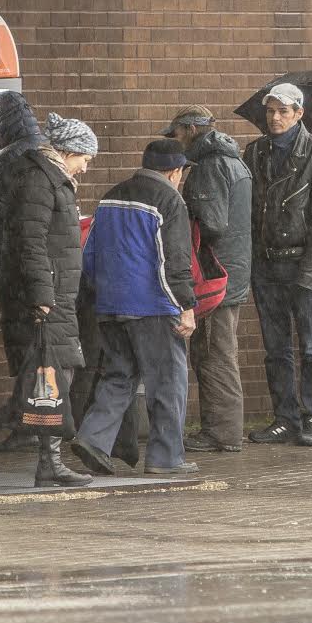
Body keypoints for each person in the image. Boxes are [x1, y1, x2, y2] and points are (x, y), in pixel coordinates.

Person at [0, 112, 99, 488]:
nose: (86, 167)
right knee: (49, 377)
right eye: (85, 158)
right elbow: (31, 242)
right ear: (69, 150)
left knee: (55, 376)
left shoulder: (52, 179)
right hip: (45, 296)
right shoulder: (40, 181)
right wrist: (42, 296)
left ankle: (48, 461)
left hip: (56, 293)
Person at [70, 139, 199, 477]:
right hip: (152, 306)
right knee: (168, 381)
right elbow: (174, 260)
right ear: (174, 171)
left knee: (119, 374)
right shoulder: (170, 200)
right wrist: (185, 305)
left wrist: (102, 293)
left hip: (110, 304)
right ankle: (165, 457)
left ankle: (93, 438)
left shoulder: (112, 194)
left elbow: (91, 252)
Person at [242, 83, 312, 447]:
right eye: (271, 110)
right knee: (276, 349)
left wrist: (310, 273)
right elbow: (249, 213)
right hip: (266, 266)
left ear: (299, 113)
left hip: (303, 264)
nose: (275, 117)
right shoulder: (255, 152)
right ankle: (284, 417)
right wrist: (253, 262)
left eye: (284, 110)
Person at [164, 105, 253, 454]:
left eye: (175, 135)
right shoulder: (233, 160)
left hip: (217, 275)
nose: (175, 143)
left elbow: (213, 224)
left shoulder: (209, 166)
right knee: (218, 352)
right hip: (233, 270)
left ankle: (223, 433)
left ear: (189, 129)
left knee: (215, 355)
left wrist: (183, 215)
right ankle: (222, 429)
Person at [0, 91, 50, 455]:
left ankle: (23, 425)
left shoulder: (10, 159)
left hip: (14, 264)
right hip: (41, 265)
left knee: (22, 347)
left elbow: (1, 214)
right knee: (39, 349)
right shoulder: (44, 150)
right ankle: (36, 425)